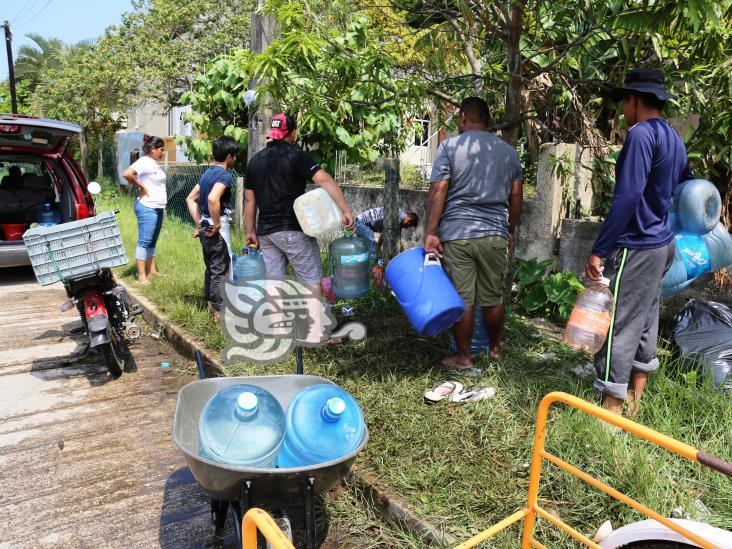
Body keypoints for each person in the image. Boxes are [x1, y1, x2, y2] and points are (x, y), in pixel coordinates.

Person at [584, 68, 692, 417]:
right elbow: (684, 185)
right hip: (663, 242)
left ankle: (611, 411)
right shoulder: (674, 138)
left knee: (620, 323)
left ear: (633, 101)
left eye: (624, 102)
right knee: (646, 319)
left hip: (639, 243)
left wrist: (600, 249)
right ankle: (635, 400)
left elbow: (627, 197)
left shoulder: (641, 135)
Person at [424, 97, 523, 369]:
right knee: (493, 298)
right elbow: (516, 197)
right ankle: (494, 347)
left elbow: (438, 189)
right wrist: (510, 229)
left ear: (463, 117)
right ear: (488, 121)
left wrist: (431, 231)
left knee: (463, 299)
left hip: (458, 234)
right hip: (494, 235)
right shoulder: (508, 152)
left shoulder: (450, 146)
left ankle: (464, 358)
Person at [244, 113, 354, 295]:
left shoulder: (255, 161)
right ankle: (315, 324)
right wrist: (346, 210)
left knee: (274, 285)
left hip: (266, 234)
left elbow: (249, 200)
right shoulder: (296, 157)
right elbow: (325, 180)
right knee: (311, 282)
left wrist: (250, 232)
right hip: (292, 230)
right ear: (293, 133)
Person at [186, 136, 240, 316]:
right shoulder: (224, 175)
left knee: (211, 267)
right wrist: (216, 223)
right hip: (218, 229)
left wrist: (200, 222)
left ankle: (210, 305)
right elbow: (212, 198)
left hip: (204, 227)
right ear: (230, 156)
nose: (236, 159)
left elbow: (190, 199)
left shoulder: (207, 173)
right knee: (220, 270)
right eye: (235, 156)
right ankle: (219, 310)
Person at [123, 135, 167, 284]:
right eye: (161, 150)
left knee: (152, 241)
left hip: (158, 207)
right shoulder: (144, 162)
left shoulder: (153, 163)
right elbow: (127, 174)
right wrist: (141, 186)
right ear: (153, 149)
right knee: (144, 241)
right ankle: (141, 277)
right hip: (147, 207)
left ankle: (152, 271)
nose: (163, 153)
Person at [355, 207, 419, 260]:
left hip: (362, 221)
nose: (407, 228)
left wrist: (404, 254)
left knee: (366, 249)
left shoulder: (400, 214)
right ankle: (372, 271)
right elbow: (384, 233)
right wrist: (378, 248)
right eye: (409, 226)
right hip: (362, 223)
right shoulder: (397, 219)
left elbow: (398, 238)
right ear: (408, 221)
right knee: (373, 251)